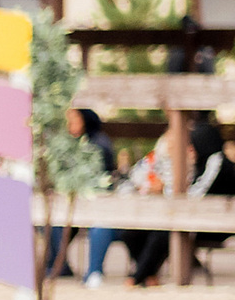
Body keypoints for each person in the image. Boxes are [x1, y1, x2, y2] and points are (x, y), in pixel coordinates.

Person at [125, 113, 230, 286]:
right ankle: (148, 275)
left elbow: (196, 194)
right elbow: (139, 173)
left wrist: (164, 189)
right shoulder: (186, 160)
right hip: (188, 214)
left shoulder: (215, 162)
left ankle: (136, 278)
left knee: (163, 233)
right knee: (132, 231)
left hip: (213, 220)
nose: (189, 149)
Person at [44, 107, 118, 280]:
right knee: (52, 224)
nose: (70, 124)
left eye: (75, 120)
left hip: (96, 201)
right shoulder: (67, 143)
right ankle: (58, 264)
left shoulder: (100, 143)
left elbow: (99, 177)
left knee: (99, 226)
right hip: (71, 201)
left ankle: (93, 271)